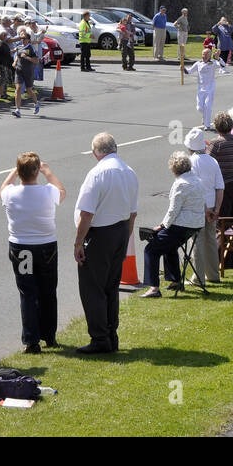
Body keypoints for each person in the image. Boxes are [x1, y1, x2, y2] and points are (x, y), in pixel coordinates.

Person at [73, 132, 139, 354]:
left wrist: (78, 243)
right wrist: (125, 239)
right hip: (120, 231)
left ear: (95, 152)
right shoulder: (129, 172)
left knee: (93, 288)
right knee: (111, 287)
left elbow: (86, 213)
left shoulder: (97, 174)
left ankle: (100, 338)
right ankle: (111, 334)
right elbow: (132, 214)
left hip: (100, 234)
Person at [0, 152, 66, 353]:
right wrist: (49, 172)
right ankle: (49, 335)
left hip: (21, 248)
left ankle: (31, 339)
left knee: (27, 292)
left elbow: (1, 189)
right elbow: (62, 192)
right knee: (48, 290)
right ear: (36, 171)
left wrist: (13, 173)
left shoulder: (11, 193)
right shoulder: (47, 191)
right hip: (46, 246)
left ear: (19, 172)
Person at [139, 151, 206, 298]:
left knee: (151, 250)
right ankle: (175, 280)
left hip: (182, 225)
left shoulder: (180, 184)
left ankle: (154, 288)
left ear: (174, 169)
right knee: (170, 246)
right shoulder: (198, 180)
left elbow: (173, 210)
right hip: (196, 224)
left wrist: (162, 226)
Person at [185, 127, 223, 285]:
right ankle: (213, 274)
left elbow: (196, 188)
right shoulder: (212, 160)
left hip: (199, 207)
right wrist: (216, 210)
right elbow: (220, 187)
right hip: (213, 205)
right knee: (211, 240)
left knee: (198, 241)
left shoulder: (191, 162)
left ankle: (198, 277)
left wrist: (206, 209)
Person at [184, 47, 226, 129]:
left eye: (206, 54)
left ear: (210, 55)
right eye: (203, 54)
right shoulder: (198, 63)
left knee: (208, 106)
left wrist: (218, 58)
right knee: (199, 108)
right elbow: (189, 71)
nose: (204, 55)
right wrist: (183, 69)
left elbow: (223, 65)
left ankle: (207, 125)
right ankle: (205, 116)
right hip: (200, 88)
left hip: (210, 88)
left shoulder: (213, 63)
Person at [12, 27, 41, 117]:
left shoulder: (31, 49)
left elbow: (36, 61)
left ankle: (36, 103)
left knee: (29, 90)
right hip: (19, 70)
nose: (22, 40)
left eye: (24, 39)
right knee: (18, 88)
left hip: (28, 71)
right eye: (21, 38)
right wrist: (15, 62)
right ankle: (17, 110)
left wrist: (27, 57)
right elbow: (18, 55)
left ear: (28, 40)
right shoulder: (19, 47)